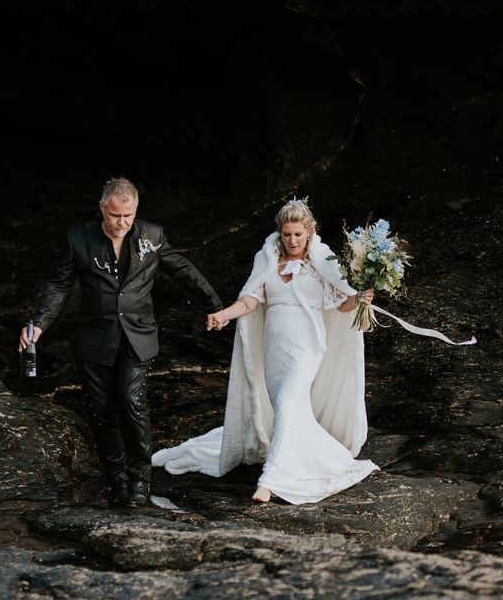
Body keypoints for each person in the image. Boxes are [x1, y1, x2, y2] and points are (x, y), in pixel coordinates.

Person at [152, 198, 379, 504]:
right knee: (289, 410)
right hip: (275, 350)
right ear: (280, 233)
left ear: (309, 232)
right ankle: (320, 457)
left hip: (307, 348)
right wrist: (223, 315)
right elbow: (250, 300)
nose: (292, 240)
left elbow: (341, 304)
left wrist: (360, 297)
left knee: (287, 402)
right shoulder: (268, 262)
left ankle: (269, 480)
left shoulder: (323, 265)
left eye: (298, 234)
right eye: (287, 234)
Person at [21, 177, 223, 508]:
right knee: (102, 413)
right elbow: (58, 285)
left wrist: (215, 304)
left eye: (128, 216)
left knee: (131, 401)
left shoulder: (151, 235)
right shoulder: (78, 238)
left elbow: (183, 270)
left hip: (138, 336)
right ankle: (117, 480)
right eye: (115, 216)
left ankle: (141, 481)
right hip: (95, 339)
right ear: (102, 208)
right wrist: (39, 324)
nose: (122, 223)